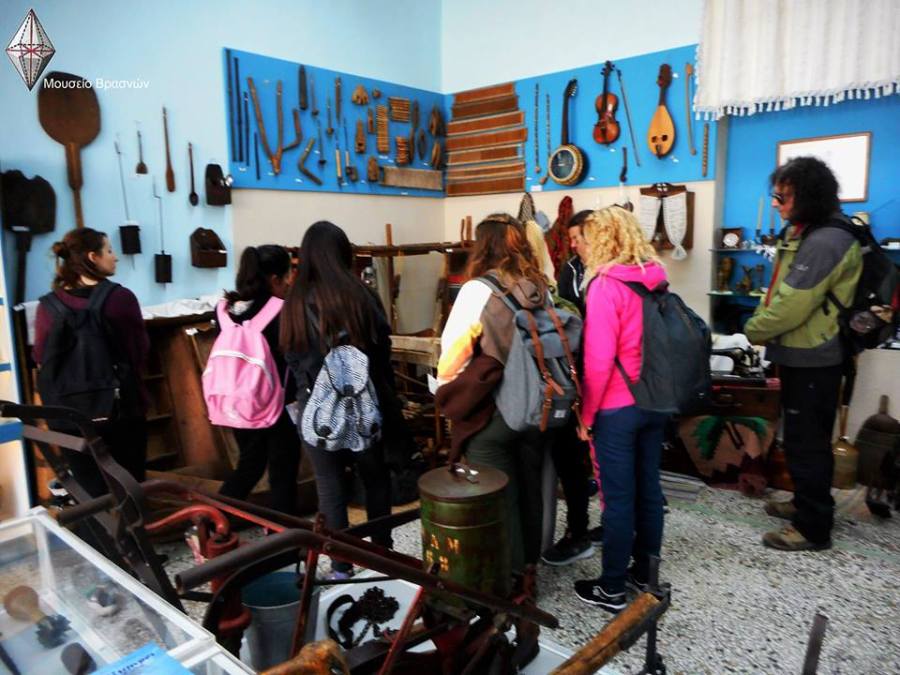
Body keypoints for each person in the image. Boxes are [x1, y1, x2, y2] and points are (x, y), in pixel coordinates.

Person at [745, 156, 862, 552]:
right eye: (775, 195)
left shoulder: (826, 241)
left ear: (809, 196)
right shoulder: (806, 232)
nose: (776, 203)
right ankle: (805, 502)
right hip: (801, 353)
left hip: (814, 357)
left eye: (784, 196)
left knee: (808, 442)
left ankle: (813, 527)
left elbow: (793, 304)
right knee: (800, 438)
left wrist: (752, 330)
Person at [280, 221, 398, 578]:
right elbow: (382, 351)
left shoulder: (294, 301)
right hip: (364, 406)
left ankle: (340, 566)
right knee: (375, 479)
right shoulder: (362, 296)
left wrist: (311, 391)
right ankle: (382, 557)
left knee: (330, 485)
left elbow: (291, 357)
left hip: (315, 408)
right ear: (344, 253)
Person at [437, 213, 548, 581]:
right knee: (529, 489)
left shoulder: (478, 290)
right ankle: (529, 564)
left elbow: (454, 353)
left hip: (497, 407)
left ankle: (512, 579)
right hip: (538, 404)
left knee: (498, 492)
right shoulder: (538, 286)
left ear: (482, 246)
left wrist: (448, 389)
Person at [573, 206, 669, 614]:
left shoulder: (605, 285)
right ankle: (645, 575)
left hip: (617, 406)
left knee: (617, 499)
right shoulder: (656, 278)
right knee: (649, 492)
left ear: (602, 239)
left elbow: (598, 361)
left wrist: (586, 416)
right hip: (655, 400)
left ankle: (611, 588)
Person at [34, 228, 149, 497]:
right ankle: (132, 526)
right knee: (130, 487)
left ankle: (96, 526)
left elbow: (40, 358)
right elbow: (139, 352)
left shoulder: (47, 306)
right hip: (120, 411)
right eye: (109, 250)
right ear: (92, 257)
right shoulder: (120, 299)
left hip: (67, 416)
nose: (115, 257)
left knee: (89, 492)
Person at [218, 245, 302, 515]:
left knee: (249, 467)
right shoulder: (282, 311)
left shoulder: (225, 311)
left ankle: (208, 523)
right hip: (278, 405)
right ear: (275, 279)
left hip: (239, 403)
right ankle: (282, 535)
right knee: (283, 474)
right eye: (287, 276)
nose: (290, 283)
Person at [541, 209, 603, 566]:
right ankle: (590, 526)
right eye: (572, 238)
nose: (574, 244)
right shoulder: (571, 270)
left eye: (579, 238)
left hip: (596, 376)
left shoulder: (609, 278)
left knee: (578, 456)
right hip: (581, 369)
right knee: (580, 457)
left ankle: (583, 531)